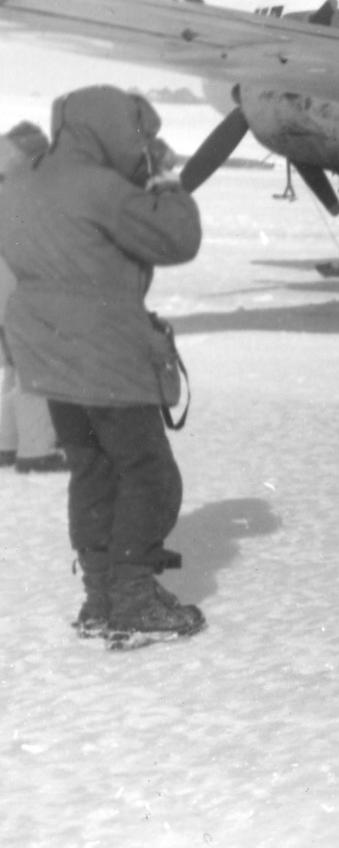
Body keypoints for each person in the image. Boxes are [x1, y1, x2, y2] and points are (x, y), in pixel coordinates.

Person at [0, 85, 207, 644]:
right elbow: (178, 238)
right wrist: (165, 181)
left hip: (48, 353)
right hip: (104, 354)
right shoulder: (99, 187)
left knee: (93, 469)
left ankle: (99, 598)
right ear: (113, 129)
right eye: (138, 134)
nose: (141, 145)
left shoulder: (22, 182)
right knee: (149, 474)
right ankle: (134, 599)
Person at [0, 121, 66, 473]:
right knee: (35, 372)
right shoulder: (27, 193)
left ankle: (6, 443)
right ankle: (36, 451)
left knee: (13, 371)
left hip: (4, 297)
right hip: (20, 294)